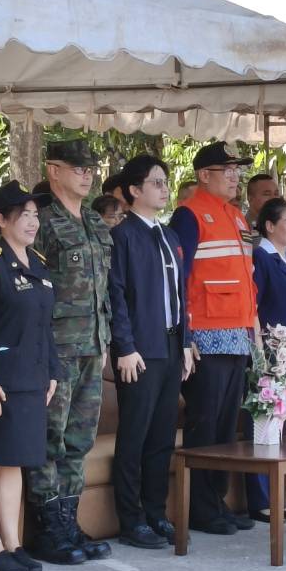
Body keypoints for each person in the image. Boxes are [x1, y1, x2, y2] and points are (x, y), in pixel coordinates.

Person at [29, 139, 115, 563]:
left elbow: (106, 288)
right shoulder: (42, 223)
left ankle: (69, 521)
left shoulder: (96, 222)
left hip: (93, 344)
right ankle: (48, 528)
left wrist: (108, 338)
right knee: (51, 438)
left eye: (90, 168)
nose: (87, 175)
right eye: (78, 168)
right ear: (54, 171)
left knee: (79, 439)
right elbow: (32, 290)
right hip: (58, 347)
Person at [171, 142, 260, 534]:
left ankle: (218, 500)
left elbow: (246, 278)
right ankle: (200, 508)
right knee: (205, 424)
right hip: (205, 336)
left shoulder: (237, 216)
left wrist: (253, 327)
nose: (235, 176)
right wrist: (186, 334)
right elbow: (179, 278)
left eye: (237, 170)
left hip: (237, 332)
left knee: (225, 426)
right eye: (227, 170)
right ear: (204, 175)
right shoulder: (188, 215)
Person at [0, 182, 59, 571]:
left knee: (15, 464)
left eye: (35, 215)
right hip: (1, 380)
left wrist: (52, 371)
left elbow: (45, 324)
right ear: (1, 220)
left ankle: (12, 543)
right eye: (24, 215)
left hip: (31, 377)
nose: (32, 222)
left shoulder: (37, 262)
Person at [107, 155, 192, 547]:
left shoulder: (169, 235)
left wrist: (186, 342)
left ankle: (156, 511)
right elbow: (116, 295)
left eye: (165, 182)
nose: (164, 189)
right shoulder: (123, 235)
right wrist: (125, 346)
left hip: (171, 344)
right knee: (135, 434)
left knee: (162, 434)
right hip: (140, 349)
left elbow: (180, 294)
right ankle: (131, 518)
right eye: (156, 182)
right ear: (134, 190)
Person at [247, 195, 286, 516]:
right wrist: (259, 349)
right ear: (269, 226)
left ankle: (277, 494)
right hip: (271, 351)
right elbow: (253, 305)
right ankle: (262, 499)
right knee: (265, 424)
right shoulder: (261, 257)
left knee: (283, 424)